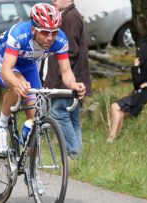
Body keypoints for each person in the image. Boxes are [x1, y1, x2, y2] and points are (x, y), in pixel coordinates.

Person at [0, 3, 86, 154]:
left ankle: (31, 175)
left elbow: (66, 72)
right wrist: (17, 83)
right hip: (4, 62)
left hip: (28, 67)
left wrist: (74, 85)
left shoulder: (60, 40)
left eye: (53, 32)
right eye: (44, 33)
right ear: (33, 29)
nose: (50, 38)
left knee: (35, 120)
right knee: (17, 86)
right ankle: (1, 125)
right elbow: (7, 71)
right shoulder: (19, 34)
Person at [43, 0, 91, 158]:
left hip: (67, 80)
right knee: (72, 117)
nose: (53, 1)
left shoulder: (70, 17)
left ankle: (73, 152)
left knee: (58, 113)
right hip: (73, 79)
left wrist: (58, 79)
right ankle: (78, 157)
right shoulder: (70, 15)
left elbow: (70, 52)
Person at [107, 38, 147, 143]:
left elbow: (137, 83)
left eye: (140, 47)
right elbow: (140, 84)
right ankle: (113, 138)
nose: (138, 49)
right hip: (142, 93)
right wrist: (142, 82)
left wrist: (135, 68)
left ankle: (111, 137)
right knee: (120, 112)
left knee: (115, 107)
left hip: (144, 95)